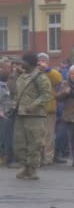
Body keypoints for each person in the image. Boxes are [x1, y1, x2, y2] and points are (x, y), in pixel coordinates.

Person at [13, 52, 53, 180]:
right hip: (21, 114)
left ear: (29, 63)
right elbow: (17, 95)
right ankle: (25, 166)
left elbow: (47, 95)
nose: (21, 64)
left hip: (35, 116)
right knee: (19, 143)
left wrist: (34, 105)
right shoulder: (22, 77)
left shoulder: (41, 77)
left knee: (34, 144)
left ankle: (33, 169)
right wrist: (14, 106)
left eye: (23, 62)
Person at [37, 52, 64, 165]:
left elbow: (58, 79)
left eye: (44, 61)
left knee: (49, 135)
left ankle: (48, 158)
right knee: (38, 135)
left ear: (48, 62)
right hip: (36, 109)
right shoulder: (34, 72)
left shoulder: (52, 72)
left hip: (49, 109)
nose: (42, 63)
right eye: (40, 60)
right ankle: (38, 157)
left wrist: (47, 69)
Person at [0, 59, 13, 165]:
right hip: (2, 114)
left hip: (9, 114)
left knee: (7, 136)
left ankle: (7, 156)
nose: (11, 70)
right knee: (2, 137)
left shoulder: (10, 81)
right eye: (8, 68)